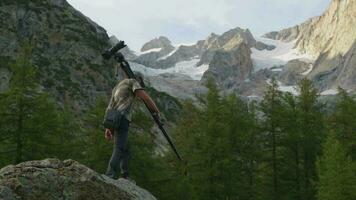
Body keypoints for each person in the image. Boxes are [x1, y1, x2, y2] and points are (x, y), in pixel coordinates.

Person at [104, 71, 160, 179]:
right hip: (123, 118)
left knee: (126, 148)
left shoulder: (118, 86)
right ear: (138, 79)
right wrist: (157, 111)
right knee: (119, 148)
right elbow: (145, 98)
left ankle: (125, 174)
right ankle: (110, 174)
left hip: (113, 118)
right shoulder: (133, 82)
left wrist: (108, 127)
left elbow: (110, 106)